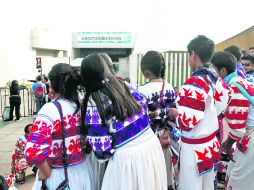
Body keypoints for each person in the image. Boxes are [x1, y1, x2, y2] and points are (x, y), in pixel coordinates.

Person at [80, 53, 167, 190]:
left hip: (127, 161)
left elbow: (102, 152)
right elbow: (145, 111)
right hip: (152, 148)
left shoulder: (94, 100)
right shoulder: (126, 86)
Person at [25, 63, 95, 190]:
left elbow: (34, 150)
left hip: (59, 177)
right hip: (84, 172)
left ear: (52, 84)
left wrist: (45, 172)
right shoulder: (83, 106)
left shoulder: (50, 109)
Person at [176, 35, 232, 190]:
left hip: (193, 150)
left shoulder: (195, 81)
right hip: (209, 145)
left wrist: (175, 114)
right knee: (207, 186)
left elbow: (186, 123)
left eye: (188, 56)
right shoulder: (215, 77)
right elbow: (226, 98)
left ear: (193, 54)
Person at [211, 51, 254, 190]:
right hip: (248, 136)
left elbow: (238, 130)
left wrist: (227, 145)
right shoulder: (238, 81)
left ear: (223, 70)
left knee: (238, 180)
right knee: (234, 173)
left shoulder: (233, 87)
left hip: (250, 138)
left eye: (214, 70)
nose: (213, 74)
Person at [138, 50, 177, 189]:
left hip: (150, 139)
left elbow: (141, 120)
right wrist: (167, 130)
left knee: (151, 177)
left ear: (146, 70)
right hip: (166, 136)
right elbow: (174, 113)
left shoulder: (142, 91)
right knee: (164, 173)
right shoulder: (170, 87)